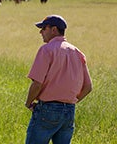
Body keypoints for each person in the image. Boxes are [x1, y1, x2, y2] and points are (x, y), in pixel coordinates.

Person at [24, 15, 92, 144]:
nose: (40, 32)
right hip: (69, 111)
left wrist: (28, 103)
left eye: (44, 28)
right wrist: (70, 102)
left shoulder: (46, 50)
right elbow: (88, 87)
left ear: (53, 29)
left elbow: (37, 83)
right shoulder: (78, 52)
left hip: (47, 109)